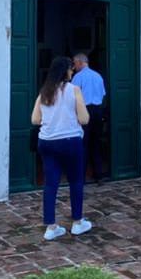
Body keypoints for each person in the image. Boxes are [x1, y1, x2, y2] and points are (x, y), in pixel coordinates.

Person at [31, 56, 92, 240]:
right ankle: (77, 222)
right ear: (65, 71)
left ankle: (51, 226)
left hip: (47, 142)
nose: (72, 71)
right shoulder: (74, 90)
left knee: (50, 184)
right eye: (70, 69)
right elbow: (84, 119)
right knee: (75, 181)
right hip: (70, 141)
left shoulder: (44, 92)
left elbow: (35, 119)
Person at [72, 52, 107, 183]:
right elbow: (103, 94)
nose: (74, 66)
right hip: (97, 111)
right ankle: (98, 175)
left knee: (83, 143)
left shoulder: (78, 77)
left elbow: (73, 96)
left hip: (84, 110)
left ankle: (80, 176)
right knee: (96, 142)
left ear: (81, 62)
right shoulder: (98, 76)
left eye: (75, 63)